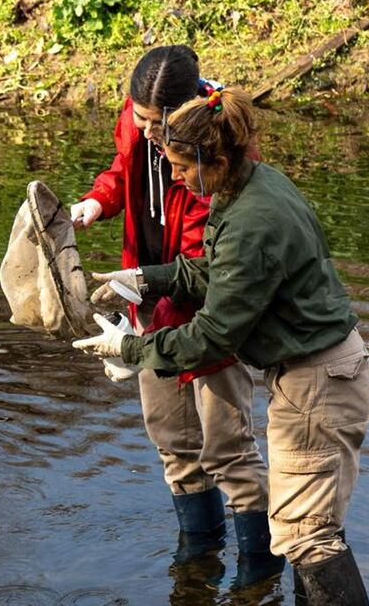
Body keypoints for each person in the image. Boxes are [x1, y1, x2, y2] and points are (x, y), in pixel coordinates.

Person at [73, 87, 369, 606]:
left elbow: (214, 334)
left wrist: (133, 349)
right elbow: (216, 271)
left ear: (213, 159)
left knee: (306, 535)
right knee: (306, 527)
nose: (174, 177)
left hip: (317, 380)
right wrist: (146, 280)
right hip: (315, 374)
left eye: (182, 166)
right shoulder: (253, 186)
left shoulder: (250, 220)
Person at [69, 45, 281, 584]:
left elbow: (208, 263)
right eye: (136, 118)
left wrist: (142, 316)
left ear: (181, 119)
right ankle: (198, 558)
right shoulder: (138, 121)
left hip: (210, 313)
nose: (142, 131)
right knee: (172, 440)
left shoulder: (222, 147)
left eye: (152, 124)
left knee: (228, 447)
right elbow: (123, 170)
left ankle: (258, 573)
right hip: (149, 298)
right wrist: (98, 201)